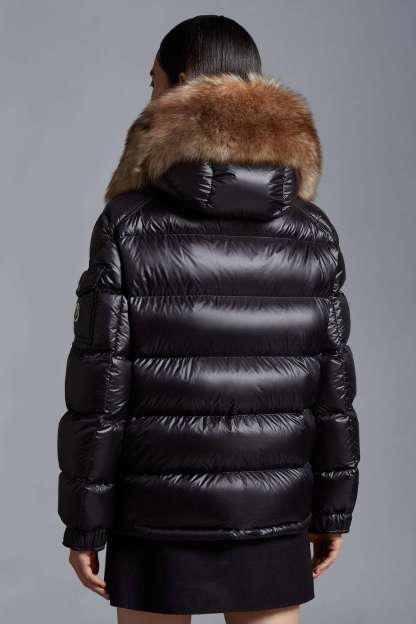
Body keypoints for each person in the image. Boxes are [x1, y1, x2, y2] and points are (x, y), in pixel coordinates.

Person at [57, 14, 360, 624]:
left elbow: (101, 390)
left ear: (183, 85)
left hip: (155, 518)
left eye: (154, 81)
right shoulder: (313, 232)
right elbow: (333, 392)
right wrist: (333, 510)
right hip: (274, 514)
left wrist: (84, 523)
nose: (149, 96)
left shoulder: (127, 225)